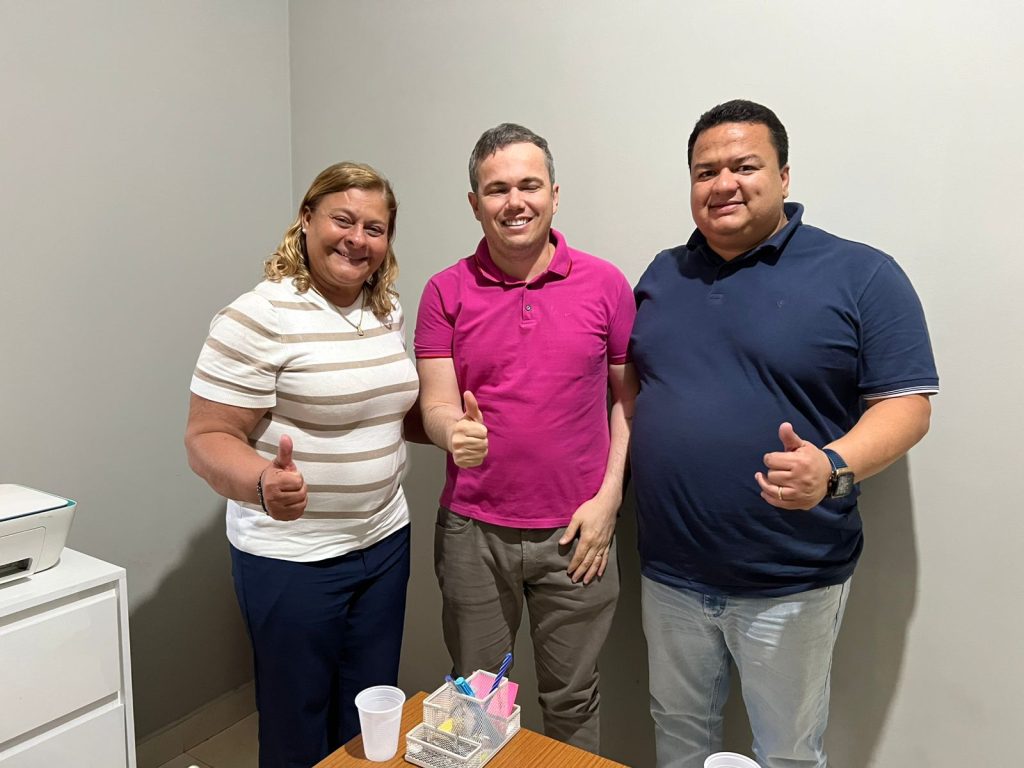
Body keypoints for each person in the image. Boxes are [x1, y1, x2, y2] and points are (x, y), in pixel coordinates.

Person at [630, 100, 939, 768]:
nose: (723, 184)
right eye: (705, 171)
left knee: (787, 754)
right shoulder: (661, 274)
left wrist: (830, 466)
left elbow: (907, 406)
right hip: (669, 571)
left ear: (784, 176)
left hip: (790, 579)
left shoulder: (862, 274)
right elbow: (631, 392)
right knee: (678, 736)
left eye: (745, 166)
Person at [184, 162, 419, 767]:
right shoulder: (258, 316)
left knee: (369, 721)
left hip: (384, 543)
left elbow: (384, 410)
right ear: (307, 219)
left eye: (375, 228)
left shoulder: (386, 309)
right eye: (343, 220)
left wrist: (453, 427)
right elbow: (207, 436)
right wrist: (262, 482)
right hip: (294, 559)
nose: (357, 239)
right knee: (298, 725)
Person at [414, 123, 637, 753]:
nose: (515, 201)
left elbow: (628, 400)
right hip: (473, 532)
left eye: (529, 185)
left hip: (578, 531)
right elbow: (435, 402)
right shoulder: (445, 291)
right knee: (474, 698)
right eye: (497, 189)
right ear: (474, 203)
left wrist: (610, 499)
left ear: (554, 195)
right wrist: (452, 432)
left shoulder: (605, 284)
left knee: (573, 699)